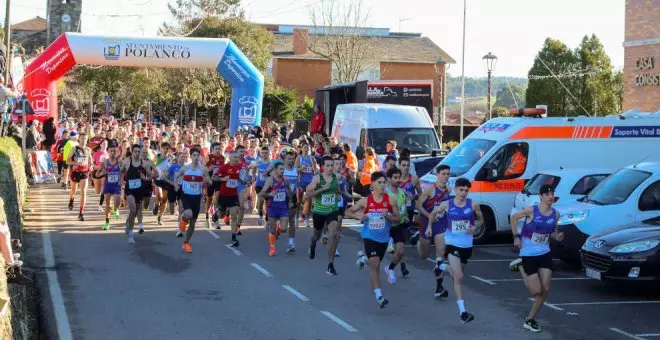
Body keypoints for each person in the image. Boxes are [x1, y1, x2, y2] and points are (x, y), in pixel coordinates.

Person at [427, 178, 484, 323]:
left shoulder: (473, 204)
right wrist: (429, 227)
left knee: (454, 273)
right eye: (461, 189)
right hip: (452, 244)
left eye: (466, 190)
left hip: (467, 245)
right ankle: (462, 312)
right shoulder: (447, 205)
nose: (463, 193)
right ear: (456, 190)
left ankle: (440, 266)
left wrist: (475, 227)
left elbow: (481, 220)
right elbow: (433, 213)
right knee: (458, 277)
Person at [509, 184, 563, 333]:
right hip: (528, 254)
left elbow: (552, 232)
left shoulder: (555, 214)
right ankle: (520, 266)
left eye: (552, 193)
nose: (550, 196)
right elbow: (513, 218)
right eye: (547, 194)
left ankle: (530, 319)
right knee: (536, 291)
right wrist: (516, 237)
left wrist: (557, 237)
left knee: (545, 290)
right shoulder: (532, 210)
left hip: (544, 253)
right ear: (541, 196)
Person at [347, 171, 400, 308]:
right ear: (372, 185)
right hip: (369, 236)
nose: (383, 185)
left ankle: (363, 259)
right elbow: (349, 211)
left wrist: (387, 215)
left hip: (383, 238)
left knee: (374, 262)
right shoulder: (366, 201)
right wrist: (360, 217)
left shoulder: (390, 201)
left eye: (384, 183)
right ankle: (379, 295)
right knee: (375, 265)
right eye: (379, 183)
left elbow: (398, 219)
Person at [416, 164, 451, 298]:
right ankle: (419, 243)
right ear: (437, 175)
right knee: (424, 256)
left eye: (448, 174)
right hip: (427, 224)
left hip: (441, 224)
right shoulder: (430, 188)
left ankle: (439, 287)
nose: (446, 176)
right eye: (443, 174)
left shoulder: (448, 190)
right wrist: (428, 216)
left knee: (440, 252)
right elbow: (419, 204)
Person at [306, 155, 341, 275]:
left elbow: (338, 190)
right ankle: (312, 245)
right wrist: (322, 189)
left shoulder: (337, 177)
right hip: (319, 212)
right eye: (328, 165)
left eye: (332, 165)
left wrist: (345, 195)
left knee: (335, 233)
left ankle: (330, 264)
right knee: (316, 236)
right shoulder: (317, 178)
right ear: (322, 167)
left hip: (332, 210)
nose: (330, 168)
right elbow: (307, 194)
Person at [173, 147, 212, 253]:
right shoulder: (185, 168)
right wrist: (176, 185)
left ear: (200, 157)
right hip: (186, 195)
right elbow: (176, 176)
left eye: (197, 155)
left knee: (193, 223)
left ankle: (186, 243)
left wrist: (207, 182)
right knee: (188, 214)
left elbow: (209, 182)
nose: (195, 157)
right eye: (193, 155)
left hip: (197, 197)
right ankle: (183, 220)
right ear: (190, 157)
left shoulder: (203, 169)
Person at [260, 160, 295, 256]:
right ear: (275, 170)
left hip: (283, 207)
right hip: (272, 207)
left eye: (283, 169)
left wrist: (291, 201)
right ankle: (272, 248)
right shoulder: (270, 180)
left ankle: (280, 227)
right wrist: (269, 194)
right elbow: (261, 194)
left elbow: (289, 191)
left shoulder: (286, 180)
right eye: (280, 169)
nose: (282, 171)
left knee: (284, 229)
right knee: (272, 230)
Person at [120, 144, 153, 244]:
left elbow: (150, 177)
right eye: (135, 151)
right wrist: (121, 180)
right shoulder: (126, 162)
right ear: (132, 152)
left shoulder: (145, 164)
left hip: (140, 190)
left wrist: (145, 179)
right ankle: (131, 235)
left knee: (134, 212)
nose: (137, 153)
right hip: (129, 189)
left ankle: (128, 223)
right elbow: (121, 171)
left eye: (139, 151)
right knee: (133, 209)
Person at [383, 167, 410, 283]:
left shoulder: (402, 192)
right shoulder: (385, 193)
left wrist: (407, 216)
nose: (398, 180)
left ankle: (390, 269)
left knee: (400, 250)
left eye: (399, 177)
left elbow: (403, 206)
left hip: (398, 225)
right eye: (395, 178)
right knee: (376, 255)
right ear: (389, 179)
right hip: (386, 226)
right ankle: (364, 259)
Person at [214, 150, 243, 247]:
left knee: (234, 215)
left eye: (237, 157)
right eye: (234, 157)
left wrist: (243, 182)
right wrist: (223, 179)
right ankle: (216, 214)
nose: (236, 159)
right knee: (221, 215)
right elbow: (214, 178)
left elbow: (237, 177)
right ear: (230, 158)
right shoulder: (224, 167)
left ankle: (234, 238)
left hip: (233, 195)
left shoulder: (239, 167)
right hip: (224, 195)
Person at [95, 141, 122, 230]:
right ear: (108, 151)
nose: (112, 153)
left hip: (116, 185)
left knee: (117, 202)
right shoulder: (105, 162)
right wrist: (103, 172)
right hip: (108, 185)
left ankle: (116, 210)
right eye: (111, 151)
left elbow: (123, 171)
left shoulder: (119, 161)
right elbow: (98, 174)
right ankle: (107, 222)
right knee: (107, 204)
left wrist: (121, 179)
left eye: (114, 151)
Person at [67, 133, 92, 221]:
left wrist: (91, 166)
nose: (84, 140)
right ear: (79, 139)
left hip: (84, 172)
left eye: (85, 139)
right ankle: (71, 200)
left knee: (83, 192)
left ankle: (81, 213)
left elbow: (90, 160)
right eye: (82, 138)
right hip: (75, 172)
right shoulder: (74, 149)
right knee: (73, 190)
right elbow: (67, 161)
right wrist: (76, 163)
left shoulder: (88, 150)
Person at [204, 142, 226, 229]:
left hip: (218, 181)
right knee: (209, 199)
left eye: (219, 149)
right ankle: (207, 218)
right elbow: (202, 168)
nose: (218, 150)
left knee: (217, 198)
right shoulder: (208, 157)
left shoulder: (222, 158)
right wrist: (209, 169)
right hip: (210, 181)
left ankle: (216, 219)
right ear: (212, 149)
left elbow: (224, 169)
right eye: (216, 149)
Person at [296, 142, 317, 228]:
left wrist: (315, 171)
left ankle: (307, 219)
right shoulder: (299, 158)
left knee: (309, 200)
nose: (306, 149)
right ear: (301, 149)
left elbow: (315, 170)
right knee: (299, 201)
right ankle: (296, 218)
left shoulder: (312, 158)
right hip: (301, 181)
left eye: (308, 147)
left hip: (310, 182)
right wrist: (301, 168)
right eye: (305, 147)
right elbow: (295, 169)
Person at [282, 151, 299, 252]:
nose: (291, 160)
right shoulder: (281, 170)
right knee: (283, 224)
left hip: (292, 197)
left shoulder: (296, 170)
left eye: (293, 158)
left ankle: (291, 243)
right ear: (284, 159)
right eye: (289, 158)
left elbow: (297, 184)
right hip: (281, 197)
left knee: (291, 220)